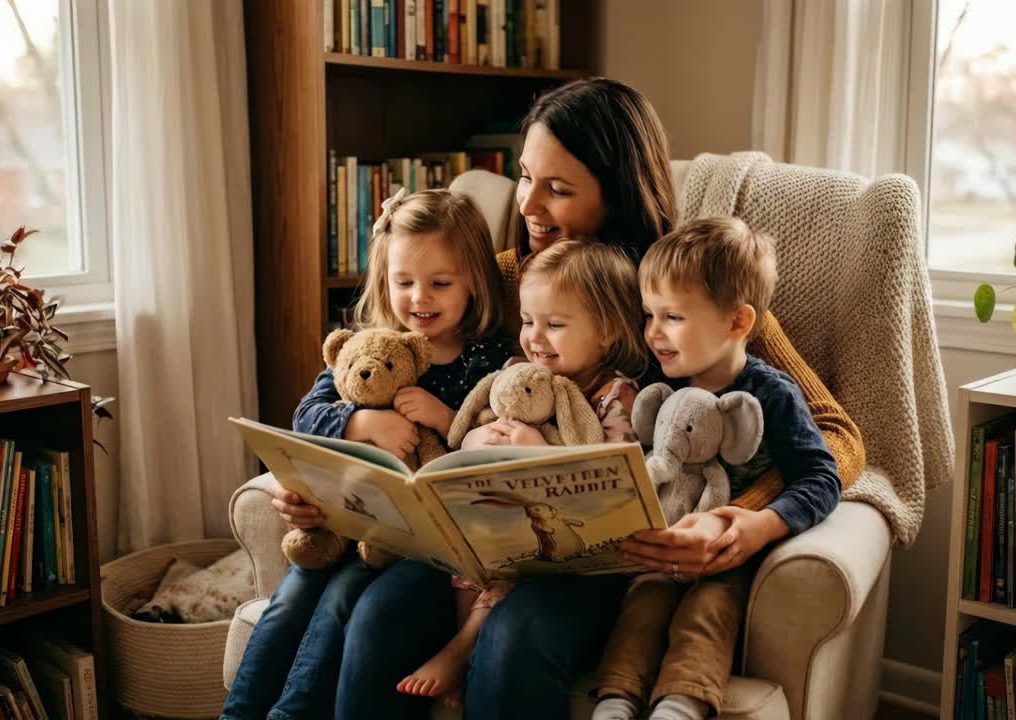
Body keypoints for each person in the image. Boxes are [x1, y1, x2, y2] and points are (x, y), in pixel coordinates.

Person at [270, 77, 867, 720]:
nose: (530, 204)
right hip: (481, 545)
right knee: (379, 614)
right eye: (526, 177)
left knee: (512, 636)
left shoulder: (684, 293)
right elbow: (371, 364)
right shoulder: (494, 280)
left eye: (559, 189)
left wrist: (743, 520)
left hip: (613, 561)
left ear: (617, 195)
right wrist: (341, 443)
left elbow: (836, 433)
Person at [221, 189, 510, 720]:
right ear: (384, 281)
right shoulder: (368, 347)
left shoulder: (486, 359)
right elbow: (306, 416)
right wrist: (360, 418)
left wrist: (445, 420)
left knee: (338, 604)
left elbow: (493, 445)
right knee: (288, 603)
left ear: (474, 280)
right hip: (345, 528)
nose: (419, 298)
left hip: (420, 551)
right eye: (403, 283)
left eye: (440, 283)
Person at [592, 217, 841, 720]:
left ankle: (680, 706)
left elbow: (822, 476)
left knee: (706, 615)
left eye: (674, 317)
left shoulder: (772, 394)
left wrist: (760, 524)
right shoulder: (657, 390)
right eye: (649, 314)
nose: (654, 333)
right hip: (660, 555)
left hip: (728, 560)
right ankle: (616, 703)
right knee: (641, 609)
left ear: (737, 322)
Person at [396, 239, 650, 705]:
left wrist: (539, 453)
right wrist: (479, 443)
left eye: (554, 325)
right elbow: (466, 432)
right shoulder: (515, 374)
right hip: (506, 530)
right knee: (470, 545)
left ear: (609, 331)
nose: (535, 337)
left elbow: (611, 480)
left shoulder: (617, 398)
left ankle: (463, 649)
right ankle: (464, 643)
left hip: (575, 552)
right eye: (529, 321)